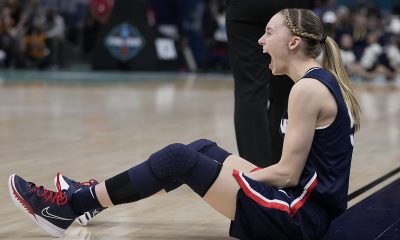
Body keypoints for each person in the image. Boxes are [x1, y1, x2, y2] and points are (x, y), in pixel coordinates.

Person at [8, 8, 361, 240]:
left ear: (294, 42)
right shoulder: (315, 82)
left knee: (180, 159)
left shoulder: (307, 90)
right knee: (202, 149)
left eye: (268, 33)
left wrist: (229, 178)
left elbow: (286, 175)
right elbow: (292, 174)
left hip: (298, 219)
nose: (260, 40)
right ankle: (89, 200)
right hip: (303, 205)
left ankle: (69, 206)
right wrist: (220, 172)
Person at [226, 0, 314, 168]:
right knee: (287, 88)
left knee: (249, 89)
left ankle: (255, 172)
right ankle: (282, 167)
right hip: (290, 5)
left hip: (245, 7)